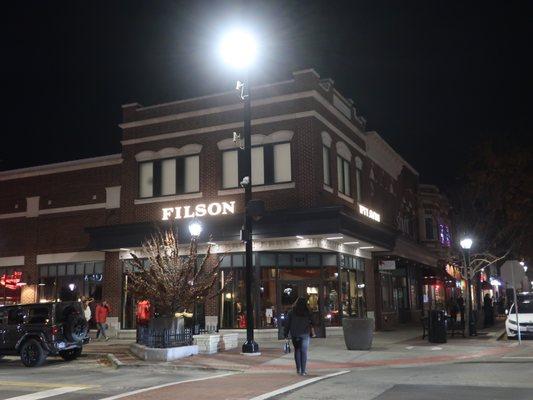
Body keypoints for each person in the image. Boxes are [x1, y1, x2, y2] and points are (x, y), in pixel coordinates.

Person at [284, 297, 315, 376]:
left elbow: (287, 324)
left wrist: (286, 334)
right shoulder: (308, 311)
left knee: (297, 350)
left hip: (295, 334)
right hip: (305, 333)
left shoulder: (291, 312)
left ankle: (298, 369)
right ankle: (303, 371)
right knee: (304, 352)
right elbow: (313, 321)